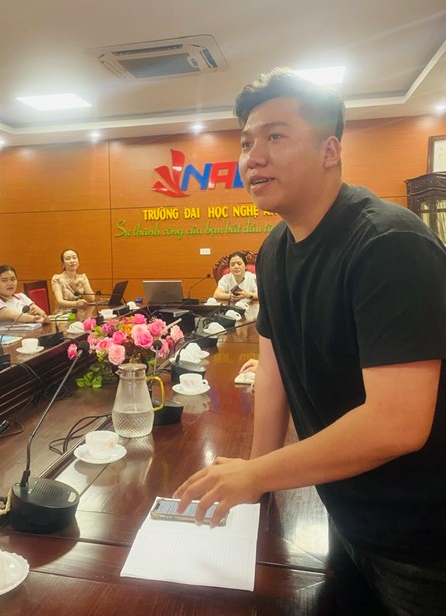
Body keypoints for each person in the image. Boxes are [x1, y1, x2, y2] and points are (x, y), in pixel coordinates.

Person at [174, 68, 446, 615]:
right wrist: (256, 478)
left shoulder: (387, 244)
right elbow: (273, 366)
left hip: (423, 535)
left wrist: (256, 473)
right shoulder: (275, 248)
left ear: (330, 150)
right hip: (344, 508)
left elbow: (397, 423)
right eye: (246, 142)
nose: (253, 157)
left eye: (275, 136)